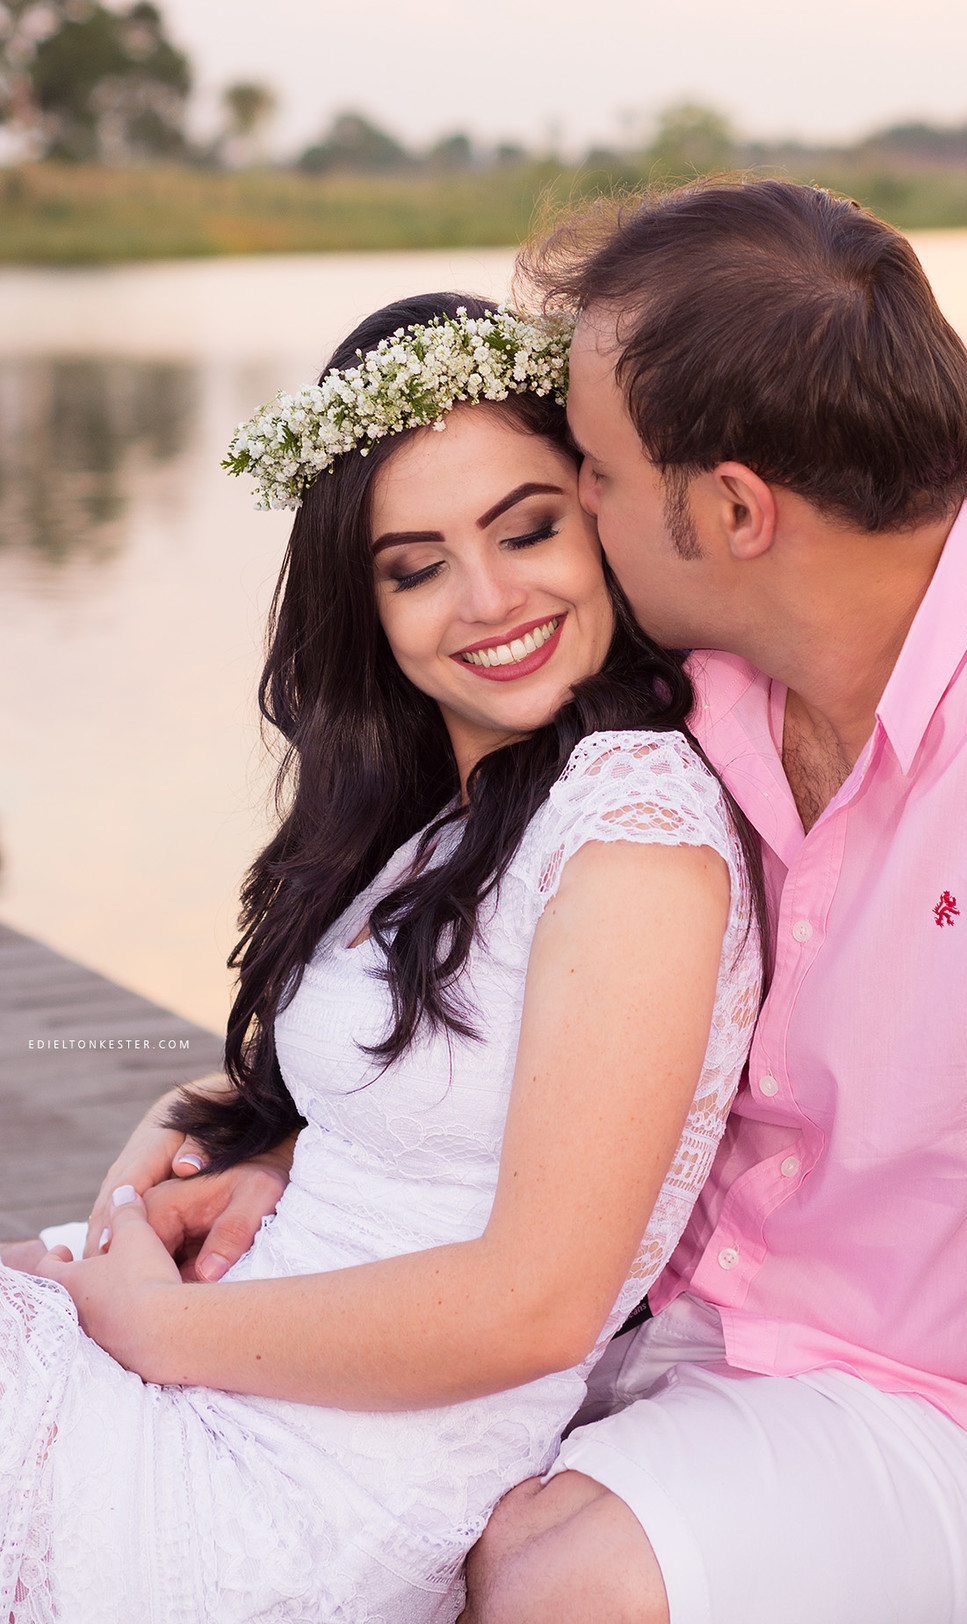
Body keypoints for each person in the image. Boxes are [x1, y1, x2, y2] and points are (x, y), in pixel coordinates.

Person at [25, 176, 967, 1624]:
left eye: (587, 469)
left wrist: (180, 1329)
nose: (572, 512)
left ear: (731, 508)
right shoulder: (697, 685)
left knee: (554, 1584)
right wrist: (300, 1154)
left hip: (953, 1403)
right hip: (660, 1330)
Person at [0, 293, 764, 1623]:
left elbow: (534, 1304)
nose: (489, 600)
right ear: (367, 606)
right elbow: (397, 1127)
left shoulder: (635, 828)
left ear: (601, 517)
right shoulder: (447, 820)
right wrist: (210, 1154)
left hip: (296, 1499)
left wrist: (156, 1331)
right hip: (217, 1379)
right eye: (416, 566)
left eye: (528, 530)